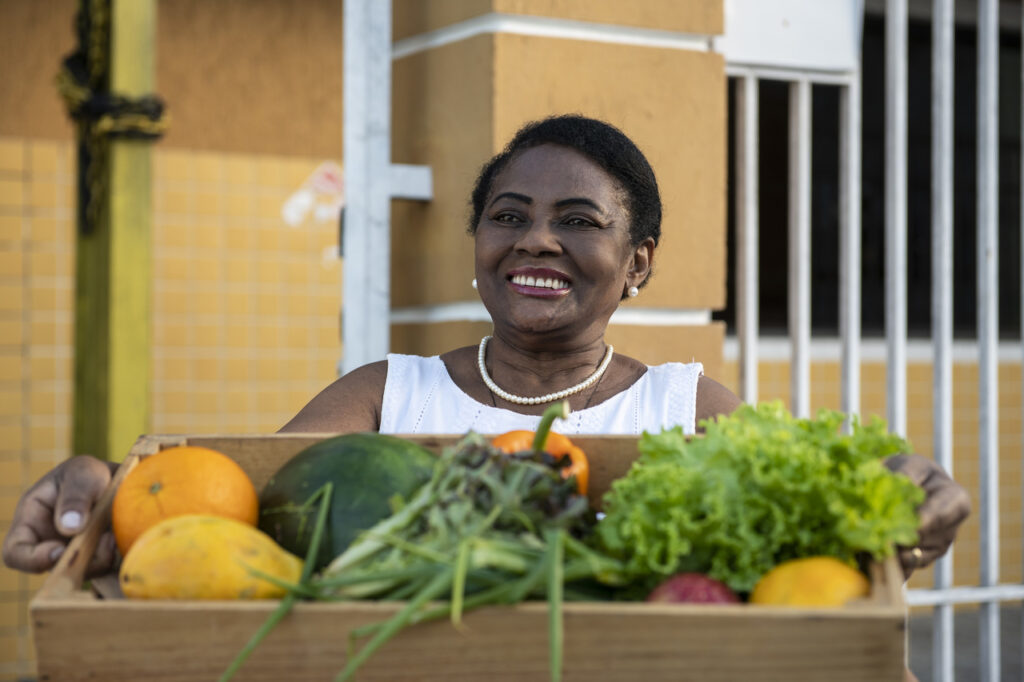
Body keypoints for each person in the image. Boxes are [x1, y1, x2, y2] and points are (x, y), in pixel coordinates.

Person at [2, 115, 969, 580]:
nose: (537, 240)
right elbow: (234, 501)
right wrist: (106, 492)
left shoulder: (687, 407)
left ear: (636, 265)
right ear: (480, 250)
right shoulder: (387, 395)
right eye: (509, 217)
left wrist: (890, 492)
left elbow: (812, 527)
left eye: (578, 222)